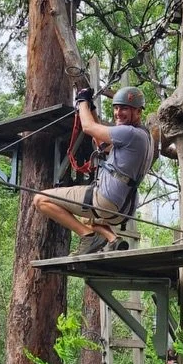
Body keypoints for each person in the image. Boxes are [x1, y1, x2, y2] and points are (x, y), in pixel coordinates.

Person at [33, 86, 170, 255]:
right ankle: (111, 238)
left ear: (138, 112)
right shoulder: (144, 136)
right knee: (85, 215)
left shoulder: (128, 133)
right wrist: (91, 109)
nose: (118, 113)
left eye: (124, 109)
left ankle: (87, 236)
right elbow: (100, 143)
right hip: (124, 210)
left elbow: (88, 127)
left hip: (106, 200)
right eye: (116, 108)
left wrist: (82, 100)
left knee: (41, 200)